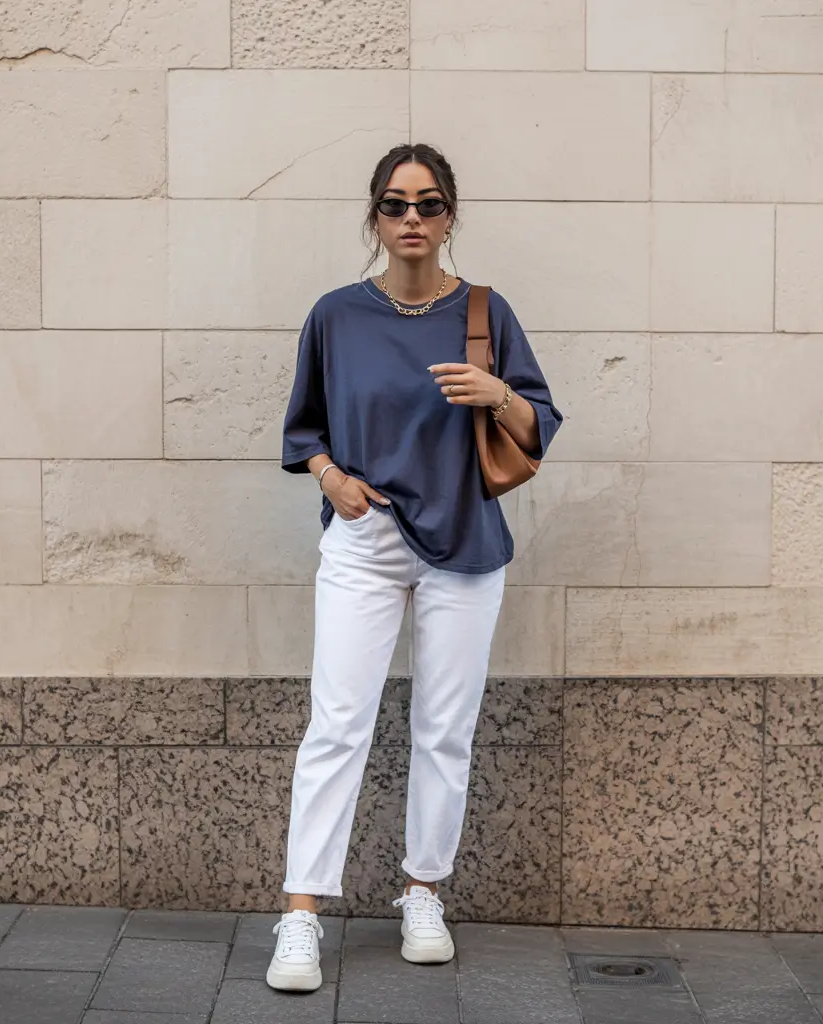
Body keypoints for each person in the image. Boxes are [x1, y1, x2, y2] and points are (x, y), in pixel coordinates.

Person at [267, 143, 562, 992]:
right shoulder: (336, 315)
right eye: (395, 205)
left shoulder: (484, 310)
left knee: (444, 728)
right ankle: (300, 914)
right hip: (364, 538)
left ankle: (422, 890)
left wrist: (494, 392)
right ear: (374, 216)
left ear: (449, 217)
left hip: (465, 542)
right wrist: (332, 480)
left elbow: (540, 423)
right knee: (337, 725)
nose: (411, 220)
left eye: (428, 205)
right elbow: (303, 432)